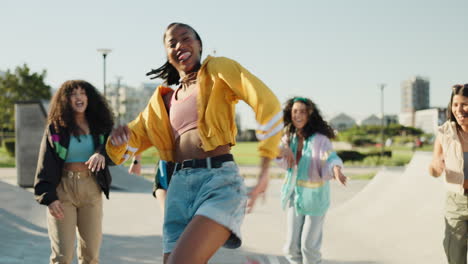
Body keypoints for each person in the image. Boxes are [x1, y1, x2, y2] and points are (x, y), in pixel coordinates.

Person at [105, 22, 283, 264]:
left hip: (218, 181)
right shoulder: (161, 103)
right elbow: (124, 147)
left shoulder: (218, 70)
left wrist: (264, 171)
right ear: (168, 55)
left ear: (199, 44)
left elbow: (265, 102)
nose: (180, 45)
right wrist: (117, 140)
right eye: (172, 43)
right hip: (178, 188)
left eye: (186, 38)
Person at [34, 80, 114, 264]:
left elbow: (114, 150)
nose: (78, 97)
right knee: (62, 255)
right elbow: (45, 162)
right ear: (65, 100)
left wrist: (101, 154)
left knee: (91, 255)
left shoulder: (101, 126)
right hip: (63, 190)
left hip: (91, 188)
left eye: (82, 93)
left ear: (89, 98)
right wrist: (49, 196)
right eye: (73, 94)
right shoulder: (56, 128)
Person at [277, 97, 347, 264]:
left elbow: (330, 157)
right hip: (295, 196)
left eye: (302, 111)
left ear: (309, 115)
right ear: (290, 114)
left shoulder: (320, 140)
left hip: (316, 198)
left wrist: (336, 169)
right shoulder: (289, 137)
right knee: (292, 247)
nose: (298, 115)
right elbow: (281, 157)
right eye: (295, 111)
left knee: (308, 246)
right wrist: (281, 150)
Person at [429, 83, 468, 264]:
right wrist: (437, 165)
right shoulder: (445, 133)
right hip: (456, 202)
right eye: (455, 105)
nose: (459, 110)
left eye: (465, 104)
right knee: (455, 255)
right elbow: (433, 170)